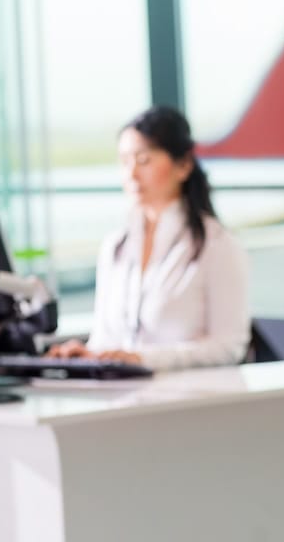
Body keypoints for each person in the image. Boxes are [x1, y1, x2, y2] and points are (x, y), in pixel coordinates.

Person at [47, 105, 251, 371]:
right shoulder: (115, 247)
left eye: (143, 160)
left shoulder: (217, 245)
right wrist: (87, 354)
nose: (131, 174)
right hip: (121, 402)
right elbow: (107, 339)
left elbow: (229, 348)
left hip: (188, 402)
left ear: (184, 165)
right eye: (124, 162)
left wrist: (143, 360)